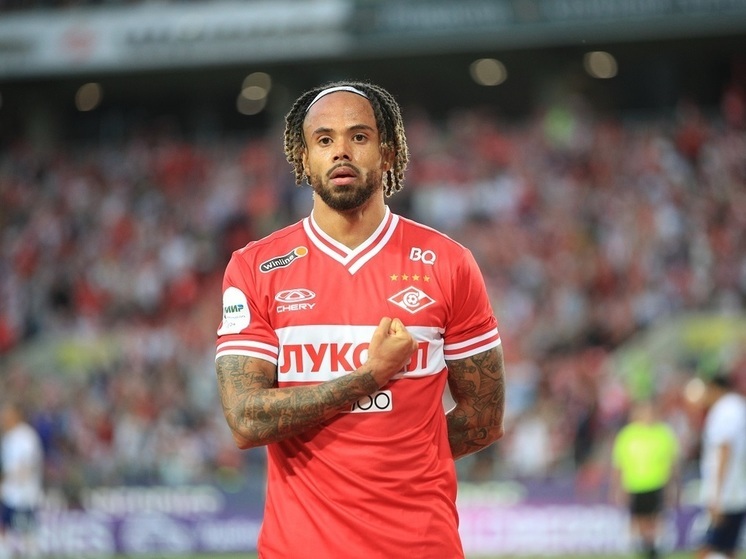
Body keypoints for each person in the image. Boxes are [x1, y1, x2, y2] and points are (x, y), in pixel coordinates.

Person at [214, 81, 506, 558]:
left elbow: (484, 419)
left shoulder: (448, 263)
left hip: (419, 547)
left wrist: (392, 463)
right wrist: (371, 375)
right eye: (324, 139)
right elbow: (245, 420)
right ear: (304, 157)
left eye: (359, 136)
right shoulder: (255, 268)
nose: (341, 151)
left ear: (387, 153)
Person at [610, 398, 680, 559]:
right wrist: (617, 488)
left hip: (657, 484)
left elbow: (673, 463)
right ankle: (644, 549)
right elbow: (619, 464)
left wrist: (674, 486)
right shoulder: (627, 435)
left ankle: (653, 550)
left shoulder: (664, 433)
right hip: (635, 485)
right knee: (639, 520)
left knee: (655, 520)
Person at [696, 373, 746, 559]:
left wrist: (716, 494)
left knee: (708, 547)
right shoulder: (738, 406)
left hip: (727, 491)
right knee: (729, 549)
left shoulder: (725, 410)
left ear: (714, 388)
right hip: (737, 489)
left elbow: (725, 448)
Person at [0, 401, 44, 559]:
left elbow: (26, 467)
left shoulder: (25, 437)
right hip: (9, 494)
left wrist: (7, 482)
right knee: (4, 528)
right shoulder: (8, 437)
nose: (2, 417)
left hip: (23, 495)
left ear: (15, 415)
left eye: (5, 413)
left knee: (27, 533)